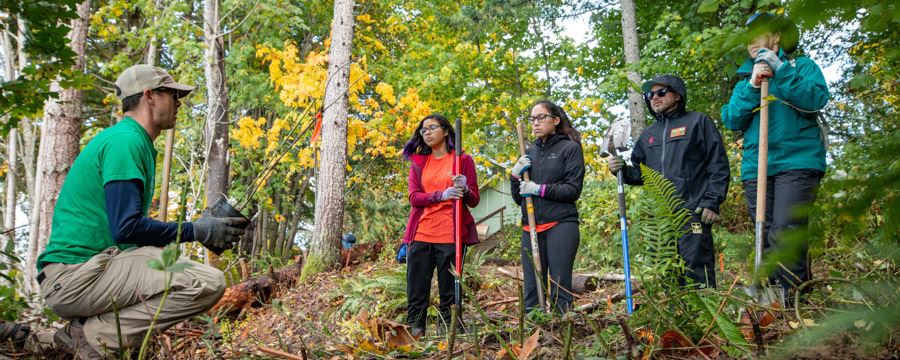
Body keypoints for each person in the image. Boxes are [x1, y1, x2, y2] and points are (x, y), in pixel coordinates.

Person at [35, 64, 248, 358]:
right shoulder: (126, 142)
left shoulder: (130, 141)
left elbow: (129, 235)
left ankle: (87, 332)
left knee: (172, 267)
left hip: (84, 273)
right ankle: (91, 337)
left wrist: (201, 229)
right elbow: (127, 227)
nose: (178, 103)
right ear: (149, 96)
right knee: (208, 282)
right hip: (75, 277)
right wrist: (195, 230)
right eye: (173, 94)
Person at [720, 13, 829, 300]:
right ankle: (769, 294)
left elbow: (815, 100)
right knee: (765, 232)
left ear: (776, 38)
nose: (752, 43)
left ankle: (793, 295)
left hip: (798, 162)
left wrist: (780, 70)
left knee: (786, 228)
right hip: (757, 166)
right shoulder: (745, 81)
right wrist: (754, 86)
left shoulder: (801, 67)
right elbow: (731, 119)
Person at [608, 75, 730, 288]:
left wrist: (712, 201)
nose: (654, 98)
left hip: (693, 210)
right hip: (661, 216)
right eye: (650, 94)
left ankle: (705, 319)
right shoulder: (648, 135)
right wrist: (621, 171)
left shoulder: (698, 122)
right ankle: (676, 316)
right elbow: (640, 174)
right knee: (668, 270)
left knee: (696, 267)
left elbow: (717, 164)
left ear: (677, 95)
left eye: (661, 92)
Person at [401, 114, 480, 337]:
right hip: (421, 233)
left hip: (451, 235)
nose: (426, 133)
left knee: (449, 290)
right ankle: (415, 330)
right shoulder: (418, 162)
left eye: (432, 128)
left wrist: (465, 189)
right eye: (423, 130)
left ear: (445, 131)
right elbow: (414, 197)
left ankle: (448, 332)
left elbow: (473, 200)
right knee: (417, 288)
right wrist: (440, 195)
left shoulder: (462, 160)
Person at [510, 100, 585, 313]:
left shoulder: (569, 149)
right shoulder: (529, 154)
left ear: (556, 120)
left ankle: (563, 331)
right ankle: (536, 334)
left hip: (561, 224)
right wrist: (515, 176)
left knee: (560, 284)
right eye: (532, 119)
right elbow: (519, 198)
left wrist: (538, 189)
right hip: (531, 226)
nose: (535, 123)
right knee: (532, 287)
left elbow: (572, 190)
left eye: (541, 117)